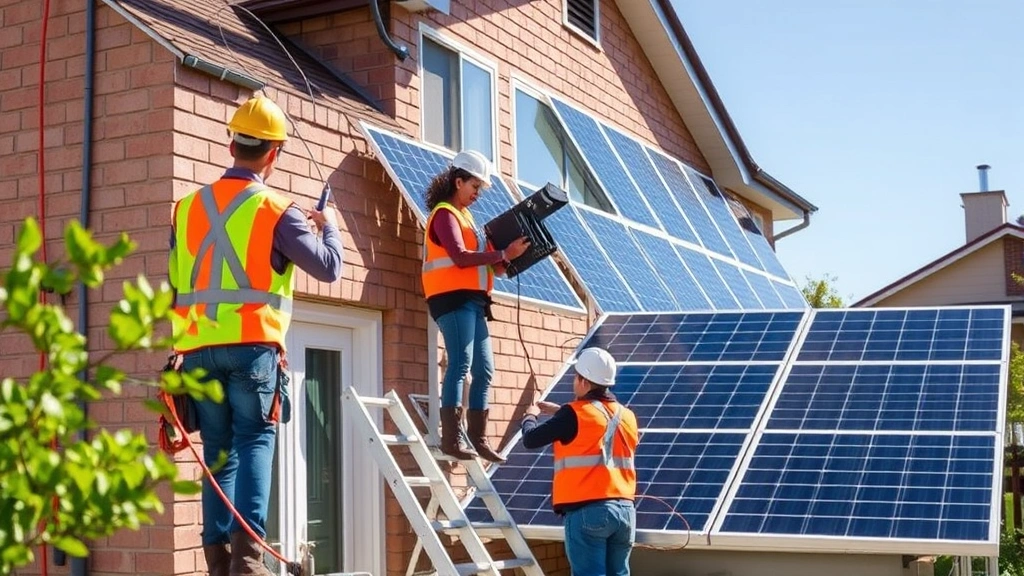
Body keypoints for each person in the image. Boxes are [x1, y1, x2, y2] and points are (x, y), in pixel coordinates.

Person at [168, 95, 343, 576]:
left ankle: (217, 561)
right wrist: (329, 228)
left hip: (198, 349)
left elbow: (176, 283)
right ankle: (248, 562)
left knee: (219, 452)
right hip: (253, 350)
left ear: (232, 144)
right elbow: (329, 269)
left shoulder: (185, 209)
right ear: (274, 154)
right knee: (254, 442)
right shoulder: (279, 210)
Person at [422, 150, 530, 462]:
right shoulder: (444, 214)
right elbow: (459, 257)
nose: (478, 193)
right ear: (458, 181)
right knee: (460, 364)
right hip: (451, 299)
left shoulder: (468, 219)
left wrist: (508, 257)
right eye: (474, 186)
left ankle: (478, 438)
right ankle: (451, 439)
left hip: (473, 301)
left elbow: (488, 265)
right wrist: (503, 254)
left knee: (485, 370)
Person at [521, 347, 640, 576]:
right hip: (625, 512)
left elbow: (531, 439)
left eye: (575, 377)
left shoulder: (573, 414)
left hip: (589, 510)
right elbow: (601, 426)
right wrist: (560, 413)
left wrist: (530, 416)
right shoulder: (628, 416)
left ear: (584, 381)